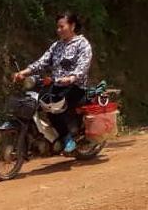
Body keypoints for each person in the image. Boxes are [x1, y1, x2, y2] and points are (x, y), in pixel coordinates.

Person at [12, 10, 94, 154]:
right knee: (40, 101)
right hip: (56, 85)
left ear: (72, 26)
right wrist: (24, 72)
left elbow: (82, 69)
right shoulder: (57, 46)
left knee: (53, 105)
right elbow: (42, 62)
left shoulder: (83, 44)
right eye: (58, 27)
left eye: (62, 26)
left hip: (75, 87)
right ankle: (45, 137)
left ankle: (68, 138)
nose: (59, 30)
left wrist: (69, 78)